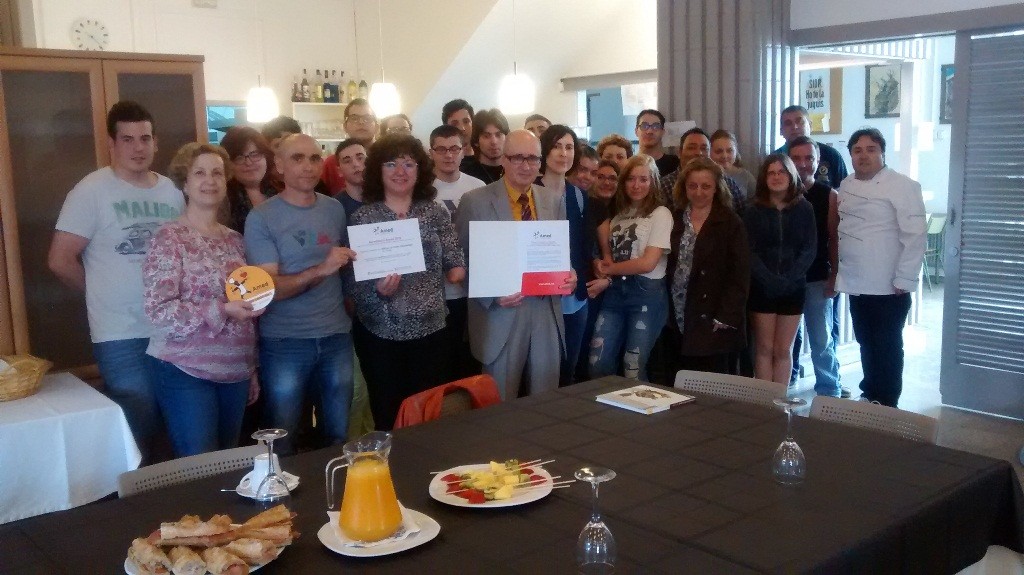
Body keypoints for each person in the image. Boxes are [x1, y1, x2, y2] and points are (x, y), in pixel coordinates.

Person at [48, 101, 184, 460]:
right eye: (127, 139)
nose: (138, 148)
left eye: (145, 138)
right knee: (137, 413)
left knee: (174, 417)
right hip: (120, 333)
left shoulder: (172, 192)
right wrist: (97, 292)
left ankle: (172, 487)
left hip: (172, 328)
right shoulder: (91, 191)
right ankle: (135, 488)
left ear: (155, 142)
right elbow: (60, 260)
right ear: (112, 144)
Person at [143, 143, 260, 457]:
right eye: (199, 173)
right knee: (201, 468)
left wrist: (251, 367)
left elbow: (248, 307)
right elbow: (159, 311)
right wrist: (222, 309)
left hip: (235, 371)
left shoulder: (236, 240)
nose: (210, 180)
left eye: (217, 173)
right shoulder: (169, 238)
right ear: (185, 183)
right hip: (185, 370)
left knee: (226, 463)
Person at [244, 134, 356, 454]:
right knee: (282, 438)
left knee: (338, 435)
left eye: (314, 158)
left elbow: (347, 269)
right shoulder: (262, 217)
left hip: (336, 336)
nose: (308, 166)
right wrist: (323, 268)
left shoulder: (334, 209)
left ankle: (333, 486)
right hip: (285, 341)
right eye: (297, 158)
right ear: (279, 165)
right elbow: (267, 290)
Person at [350, 135, 466, 429]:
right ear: (378, 170)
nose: (400, 171)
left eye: (408, 164)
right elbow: (357, 286)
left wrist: (457, 269)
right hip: (382, 335)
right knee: (388, 415)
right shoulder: (364, 217)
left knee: (427, 417)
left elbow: (455, 265)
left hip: (432, 332)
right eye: (391, 164)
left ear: (420, 170)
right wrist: (379, 290)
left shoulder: (434, 211)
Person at [455, 130, 576, 400]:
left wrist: (570, 274)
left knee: (546, 400)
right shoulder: (475, 201)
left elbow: (559, 251)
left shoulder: (552, 200)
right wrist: (491, 294)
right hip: (501, 311)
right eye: (517, 157)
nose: (526, 165)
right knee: (499, 403)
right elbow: (460, 262)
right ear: (504, 159)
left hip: (545, 309)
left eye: (532, 158)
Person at [837, 128, 926, 407]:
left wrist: (905, 278)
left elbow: (915, 235)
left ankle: (887, 401)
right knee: (865, 340)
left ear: (883, 153)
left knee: (886, 344)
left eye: (871, 149)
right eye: (857, 150)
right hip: (857, 281)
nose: (864, 155)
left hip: (889, 283)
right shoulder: (846, 184)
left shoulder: (903, 185)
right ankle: (870, 393)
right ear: (851, 155)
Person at [589, 154, 671, 382]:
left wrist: (609, 269)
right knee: (597, 363)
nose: (636, 185)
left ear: (653, 182)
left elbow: (647, 263)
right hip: (614, 293)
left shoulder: (660, 214)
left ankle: (639, 406)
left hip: (646, 294)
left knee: (633, 366)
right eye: (631, 179)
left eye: (643, 179)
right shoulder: (617, 215)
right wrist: (600, 264)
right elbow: (606, 254)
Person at [667, 157, 750, 375]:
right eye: (692, 186)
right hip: (679, 311)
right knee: (680, 377)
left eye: (706, 186)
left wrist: (726, 316)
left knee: (711, 379)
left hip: (714, 316)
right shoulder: (675, 219)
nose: (698, 192)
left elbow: (740, 275)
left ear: (716, 188)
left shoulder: (730, 222)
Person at [743, 154, 816, 385]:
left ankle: (780, 400)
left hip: (793, 288)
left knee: (784, 349)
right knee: (764, 348)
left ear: (791, 175)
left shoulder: (804, 208)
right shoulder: (752, 209)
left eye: (781, 172)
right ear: (764, 178)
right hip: (761, 288)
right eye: (771, 173)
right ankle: (764, 402)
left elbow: (809, 249)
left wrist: (789, 279)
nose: (776, 177)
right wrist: (768, 279)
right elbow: (749, 251)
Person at [787, 136, 842, 397]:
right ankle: (786, 383)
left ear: (818, 161)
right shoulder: (778, 192)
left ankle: (829, 389)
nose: (802, 164)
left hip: (817, 278)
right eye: (796, 158)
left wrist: (835, 275)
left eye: (809, 158)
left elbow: (834, 238)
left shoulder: (829, 195)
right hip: (785, 280)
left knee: (821, 339)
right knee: (786, 340)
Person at [429, 124, 485, 380]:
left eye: (454, 148)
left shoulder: (478, 187)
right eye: (441, 149)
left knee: (469, 361)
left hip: (472, 289)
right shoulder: (421, 189)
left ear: (464, 150)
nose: (448, 155)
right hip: (436, 291)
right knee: (441, 364)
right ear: (431, 152)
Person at [537, 125, 591, 386]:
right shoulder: (530, 191)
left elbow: (582, 246)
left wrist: (580, 275)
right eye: (557, 146)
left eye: (569, 147)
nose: (563, 153)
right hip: (540, 297)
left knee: (568, 369)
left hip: (574, 295)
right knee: (542, 370)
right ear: (545, 151)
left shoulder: (578, 195)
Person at [576, 160, 618, 380]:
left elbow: (609, 253)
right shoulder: (583, 202)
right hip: (581, 284)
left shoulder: (619, 210)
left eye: (612, 178)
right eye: (599, 176)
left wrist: (608, 280)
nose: (605, 182)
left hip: (605, 287)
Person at [659, 127, 746, 214]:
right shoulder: (664, 186)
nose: (699, 153)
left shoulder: (728, 184)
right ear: (679, 153)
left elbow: (742, 216)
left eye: (704, 148)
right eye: (691, 148)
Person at [774, 105, 848, 190]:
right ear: (781, 131)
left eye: (799, 121)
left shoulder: (831, 155)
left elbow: (845, 191)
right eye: (788, 123)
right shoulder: (774, 159)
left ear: (810, 125)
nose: (794, 127)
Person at [220, 127, 277, 234]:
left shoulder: (281, 192)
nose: (249, 163)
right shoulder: (221, 200)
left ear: (266, 157)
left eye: (255, 155)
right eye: (239, 157)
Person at [461, 108, 508, 184]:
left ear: (506, 138)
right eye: (486, 136)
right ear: (476, 141)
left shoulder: (516, 170)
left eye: (498, 135)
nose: (494, 142)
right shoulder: (465, 174)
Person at [710, 129, 756, 199]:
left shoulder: (747, 178)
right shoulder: (704, 176)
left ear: (736, 152)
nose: (724, 156)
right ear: (709, 153)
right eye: (719, 151)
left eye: (729, 151)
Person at [635, 109, 680, 177]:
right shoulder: (628, 164)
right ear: (636, 131)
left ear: (662, 132)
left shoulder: (675, 164)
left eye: (656, 126)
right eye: (644, 126)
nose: (649, 131)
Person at [333, 138, 368, 220]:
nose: (355, 164)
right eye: (347, 161)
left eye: (360, 158)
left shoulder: (387, 198)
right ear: (339, 171)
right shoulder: (334, 207)